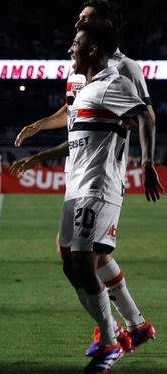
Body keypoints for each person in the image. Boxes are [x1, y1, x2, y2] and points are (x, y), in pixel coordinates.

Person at [10, 21, 162, 374]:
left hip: (99, 187)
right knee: (69, 262)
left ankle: (112, 341)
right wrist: (41, 155)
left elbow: (147, 119)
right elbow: (77, 138)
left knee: (83, 263)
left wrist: (149, 163)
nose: (70, 49)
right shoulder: (84, 92)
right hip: (74, 186)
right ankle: (129, 328)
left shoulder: (116, 82)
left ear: (93, 49)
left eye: (76, 43)